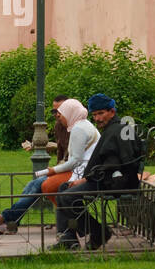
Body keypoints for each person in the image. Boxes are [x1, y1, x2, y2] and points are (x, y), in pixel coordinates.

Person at [0, 98, 97, 233]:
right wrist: (56, 169)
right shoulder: (67, 126)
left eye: (59, 111)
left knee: (43, 185)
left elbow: (76, 160)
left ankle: (9, 219)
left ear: (69, 111)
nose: (57, 114)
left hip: (78, 171)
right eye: (54, 111)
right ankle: (10, 220)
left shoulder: (78, 129)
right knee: (34, 185)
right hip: (71, 168)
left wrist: (54, 170)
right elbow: (63, 153)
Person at [53, 93, 142, 250]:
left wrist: (86, 179)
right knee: (63, 188)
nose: (97, 118)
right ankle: (68, 239)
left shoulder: (117, 131)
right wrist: (88, 178)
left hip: (114, 183)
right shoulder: (113, 129)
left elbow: (117, 164)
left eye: (101, 113)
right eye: (94, 114)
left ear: (112, 111)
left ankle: (98, 232)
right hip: (105, 178)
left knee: (66, 196)